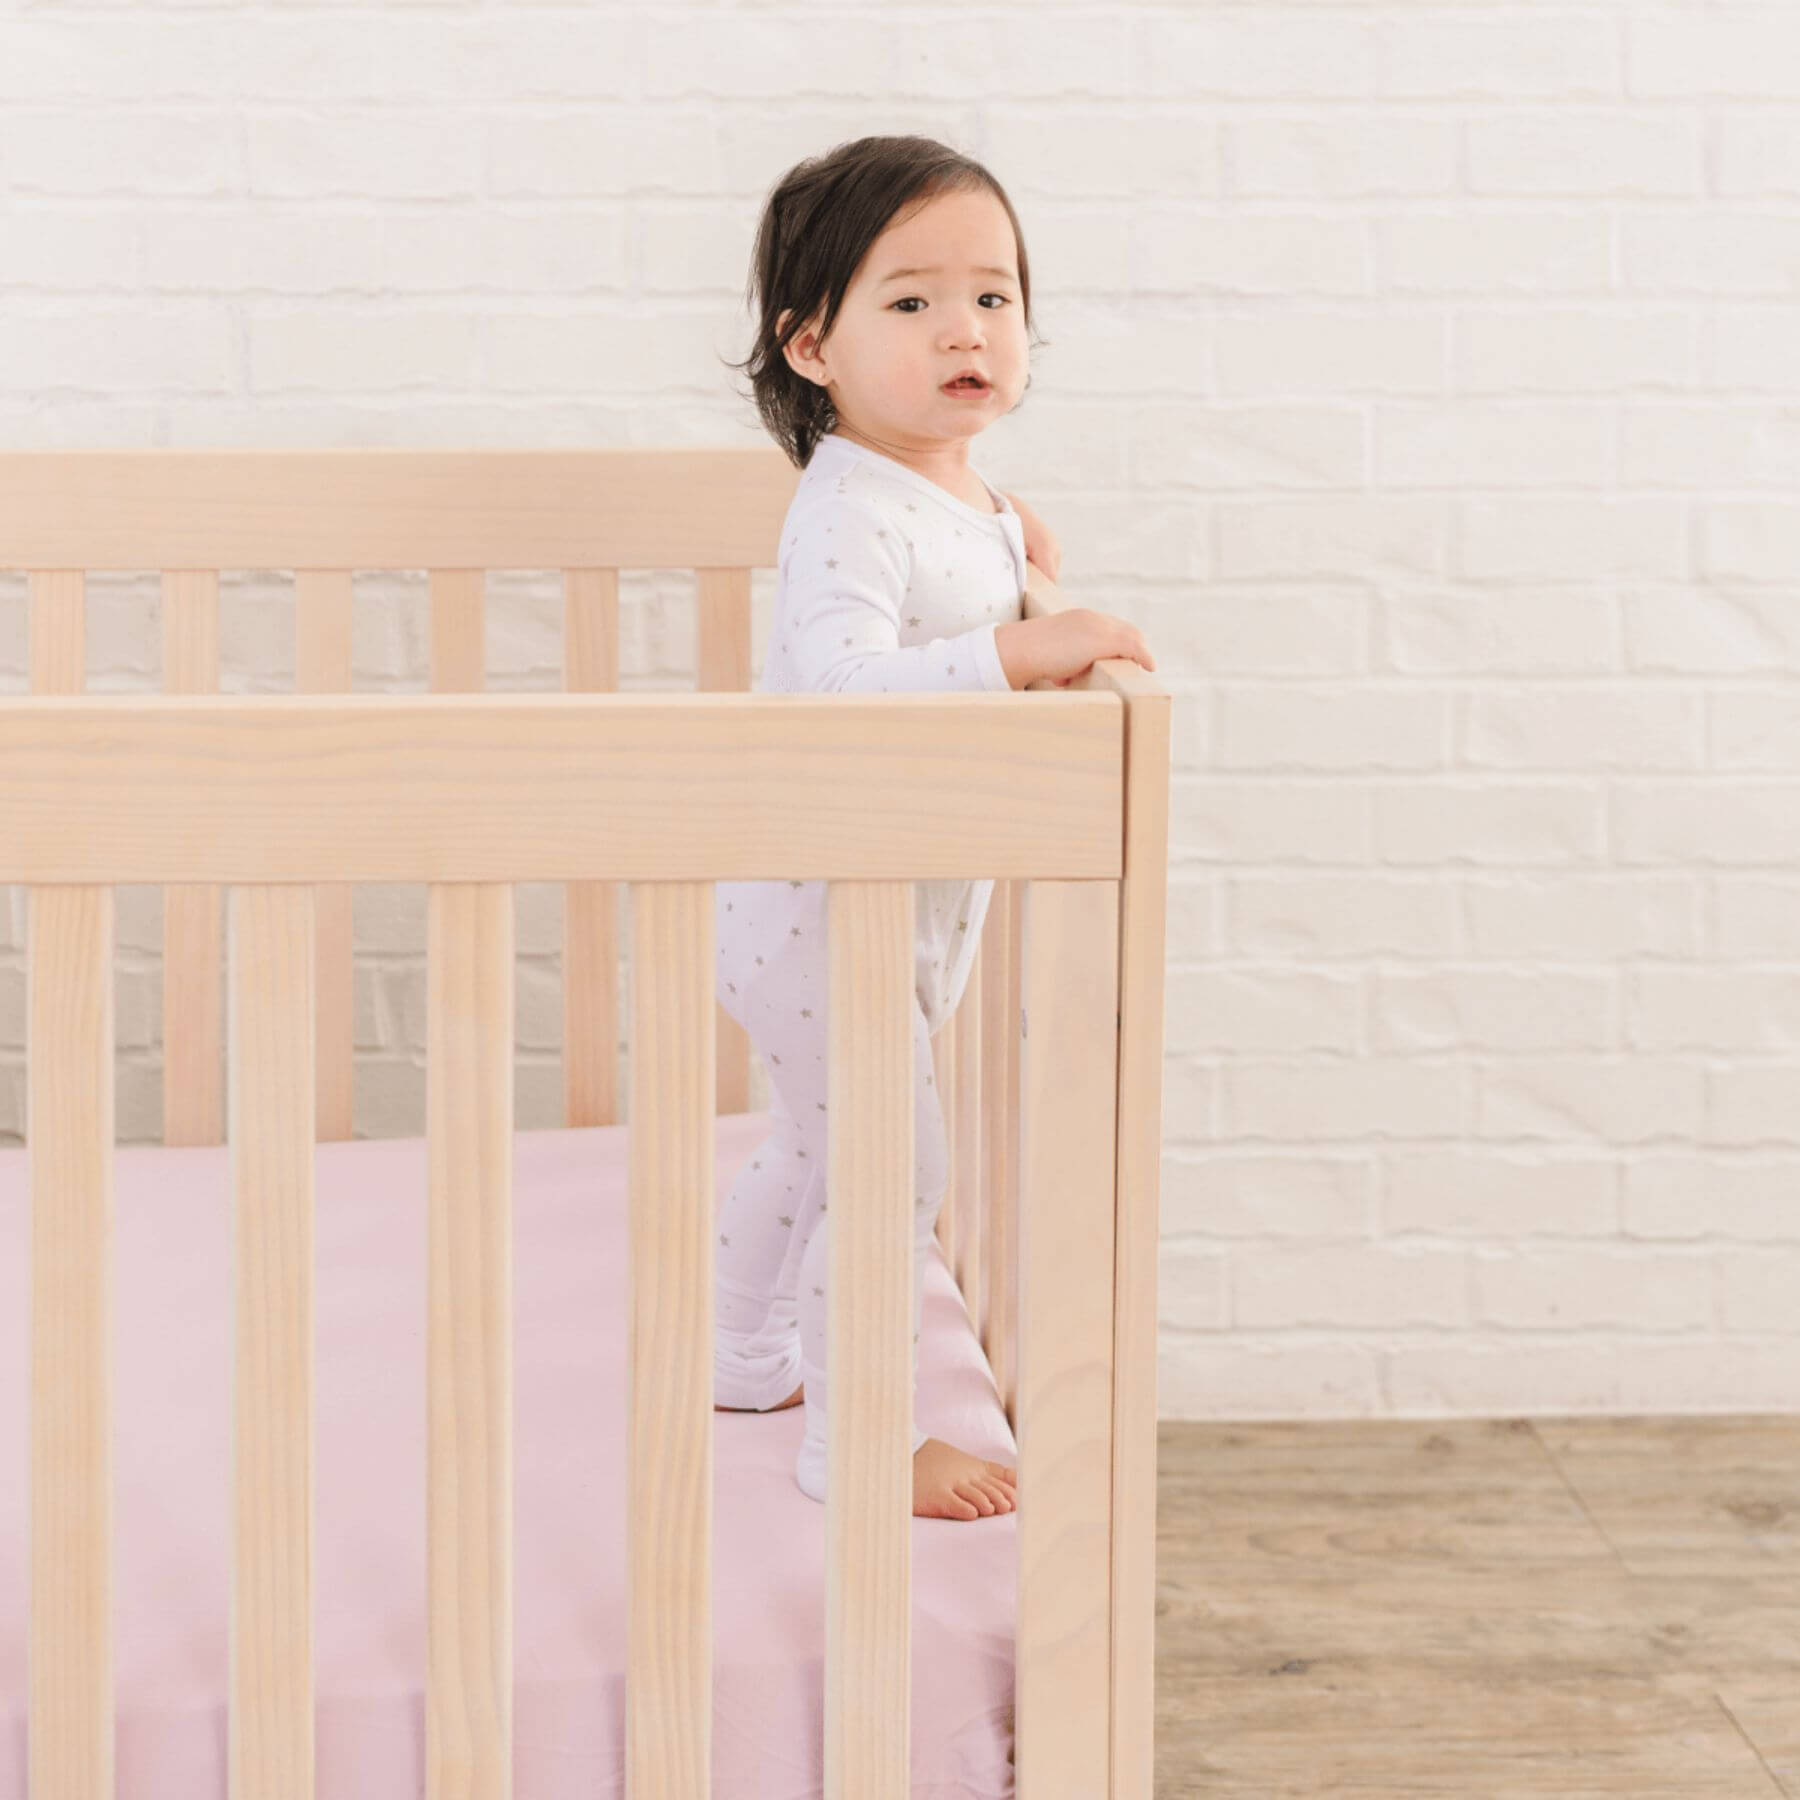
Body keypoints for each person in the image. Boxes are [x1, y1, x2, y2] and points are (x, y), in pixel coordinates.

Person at [713, 134, 1156, 1521]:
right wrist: (1027, 653)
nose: (965, 327)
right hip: (821, 914)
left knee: (815, 1146)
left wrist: (1018, 565)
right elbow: (843, 689)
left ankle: (740, 1355)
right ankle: (861, 1444)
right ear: (811, 347)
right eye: (908, 302)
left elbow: (963, 573)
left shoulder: (955, 497)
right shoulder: (849, 513)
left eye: (995, 296)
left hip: (874, 912)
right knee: (893, 1170)